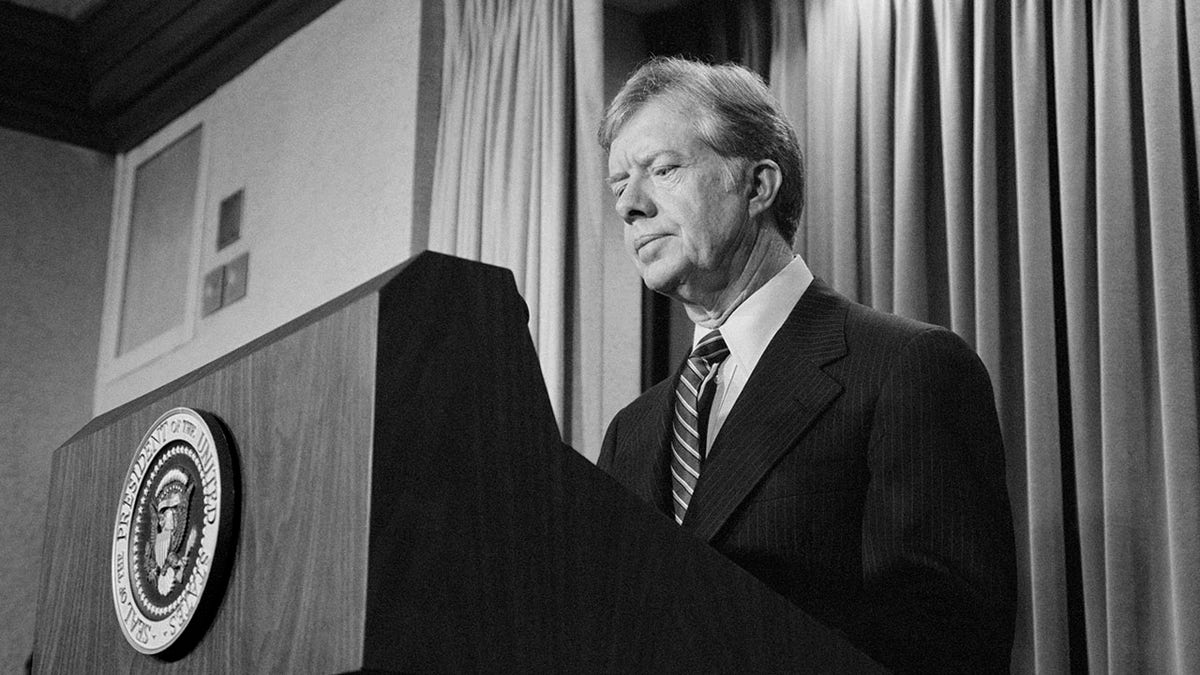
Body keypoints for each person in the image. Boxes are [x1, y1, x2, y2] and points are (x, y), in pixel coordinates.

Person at [596, 57, 1016, 673]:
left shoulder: (906, 367)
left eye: (663, 170)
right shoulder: (630, 433)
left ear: (758, 185)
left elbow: (950, 644)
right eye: (618, 185)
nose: (629, 206)